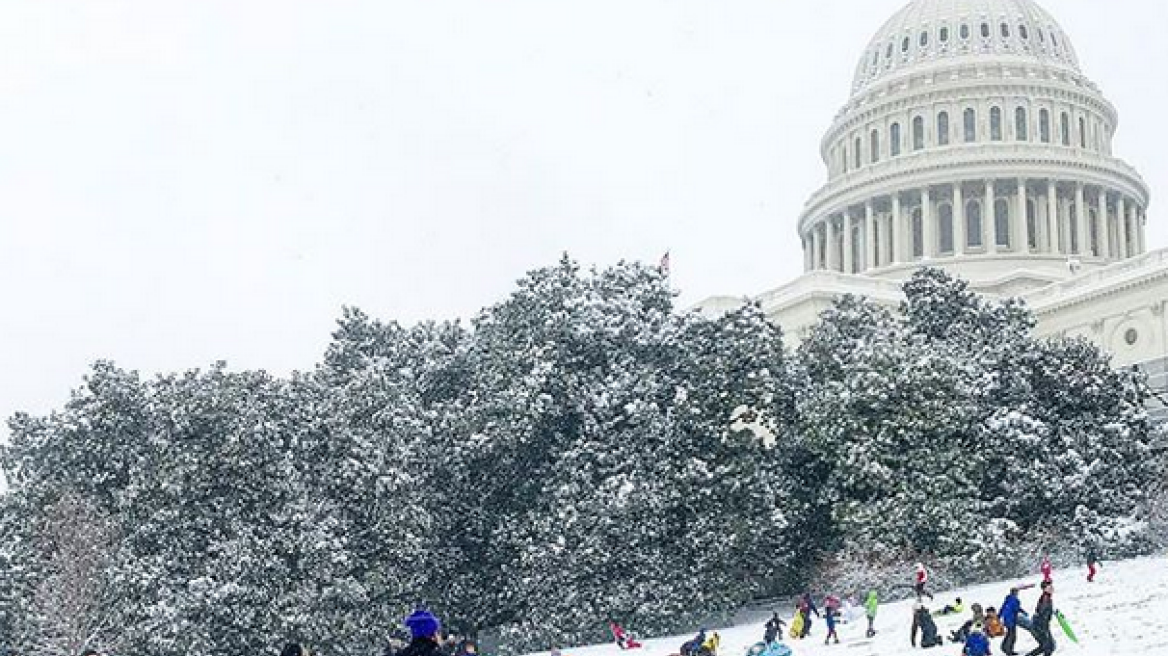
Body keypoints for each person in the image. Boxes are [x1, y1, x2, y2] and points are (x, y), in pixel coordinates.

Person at [1024, 581, 1056, 656]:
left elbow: (1042, 610)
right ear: (1044, 589)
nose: (1052, 588)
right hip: (1040, 624)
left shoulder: (1046, 597)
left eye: (1051, 586)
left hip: (1042, 624)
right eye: (1049, 587)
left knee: (1046, 646)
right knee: (1048, 646)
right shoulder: (1046, 598)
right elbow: (1041, 611)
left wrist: (1052, 611)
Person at [999, 587, 1023, 656]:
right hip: (1011, 620)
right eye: (1017, 592)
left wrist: (999, 616)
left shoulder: (1007, 599)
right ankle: (1009, 651)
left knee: (1009, 634)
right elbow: (1016, 609)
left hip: (1006, 619)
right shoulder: (1015, 600)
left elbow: (1002, 608)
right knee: (1012, 636)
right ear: (1015, 593)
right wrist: (1023, 612)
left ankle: (1005, 647)